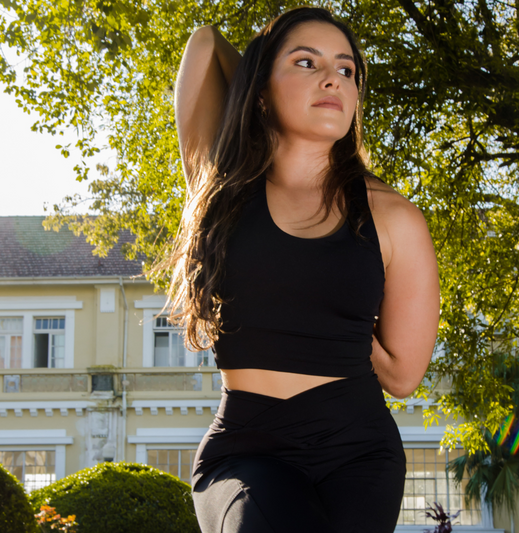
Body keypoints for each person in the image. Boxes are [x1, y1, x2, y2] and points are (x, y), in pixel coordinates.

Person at [171, 6, 440, 533]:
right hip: (245, 448)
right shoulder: (222, 190)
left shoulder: (395, 217)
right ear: (260, 89)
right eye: (307, 62)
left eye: (346, 71)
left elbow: (404, 376)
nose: (332, 79)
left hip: (357, 452)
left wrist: (338, 325)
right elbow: (205, 46)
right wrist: (259, 77)